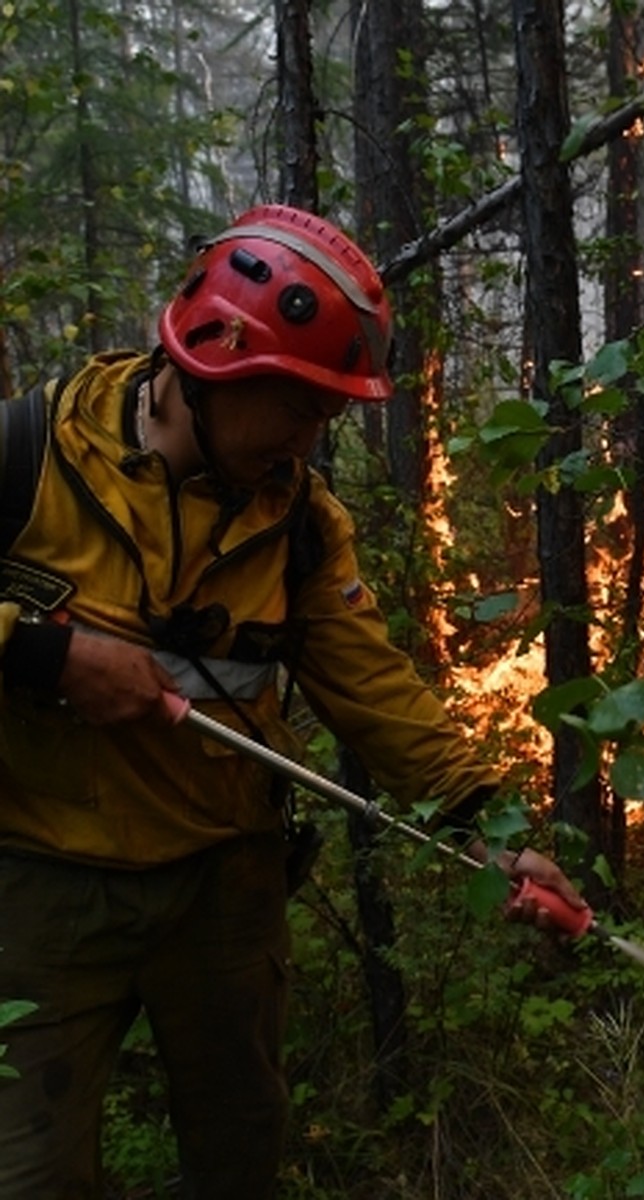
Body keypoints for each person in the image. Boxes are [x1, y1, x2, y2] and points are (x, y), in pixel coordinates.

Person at [0, 203, 586, 1198]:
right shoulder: (25, 456)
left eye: (329, 417)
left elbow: (375, 690)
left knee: (238, 1157)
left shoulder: (301, 526)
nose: (312, 442)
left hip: (224, 889)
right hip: (41, 883)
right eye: (302, 410)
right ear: (213, 370)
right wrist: (41, 654)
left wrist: (493, 821)